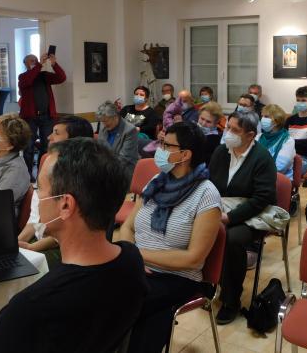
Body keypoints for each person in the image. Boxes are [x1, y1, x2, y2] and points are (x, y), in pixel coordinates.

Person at [0, 138, 148, 353]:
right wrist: (9, 335)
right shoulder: (131, 260)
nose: (36, 196)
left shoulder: (32, 306)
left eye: (40, 188)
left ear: (65, 205)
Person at [120, 122, 221, 353]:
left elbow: (193, 259)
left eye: (166, 145)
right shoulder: (157, 182)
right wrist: (133, 259)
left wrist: (137, 255)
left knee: (121, 300)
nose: (160, 149)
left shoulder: (206, 194)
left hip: (176, 277)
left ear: (185, 154)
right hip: (140, 267)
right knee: (98, 289)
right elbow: (128, 227)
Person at [208, 111, 277, 324]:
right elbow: (209, 184)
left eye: (235, 130)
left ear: (250, 135)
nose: (228, 132)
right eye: (228, 127)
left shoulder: (262, 158)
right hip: (222, 208)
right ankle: (207, 284)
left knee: (232, 239)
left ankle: (231, 300)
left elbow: (262, 198)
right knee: (198, 228)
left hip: (252, 214)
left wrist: (230, 218)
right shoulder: (221, 152)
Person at [18, 116, 94, 258]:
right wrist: (16, 244)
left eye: (56, 133)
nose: (49, 137)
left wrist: (32, 248)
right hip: (39, 241)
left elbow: (67, 229)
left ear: (74, 141)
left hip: (64, 246)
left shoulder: (82, 176)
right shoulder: (48, 162)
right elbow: (34, 220)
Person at [18, 52, 67, 179]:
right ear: (25, 64)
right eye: (31, 60)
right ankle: (27, 176)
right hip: (30, 118)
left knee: (46, 146)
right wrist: (39, 64)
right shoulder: (23, 77)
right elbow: (29, 80)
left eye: (35, 60)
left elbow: (61, 78)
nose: (34, 62)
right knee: (28, 147)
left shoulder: (44, 76)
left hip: (47, 116)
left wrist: (54, 63)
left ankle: (42, 174)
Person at [96, 101, 139, 184]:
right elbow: (99, 149)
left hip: (124, 170)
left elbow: (124, 159)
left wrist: (103, 168)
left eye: (106, 121)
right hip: (106, 166)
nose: (104, 124)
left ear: (115, 117)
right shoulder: (103, 125)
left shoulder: (130, 130)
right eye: (102, 121)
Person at [258, 104, 295, 179]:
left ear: (277, 121)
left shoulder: (288, 140)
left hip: (278, 179)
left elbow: (280, 168)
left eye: (266, 117)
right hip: (258, 176)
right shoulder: (258, 137)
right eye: (262, 116)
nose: (262, 119)